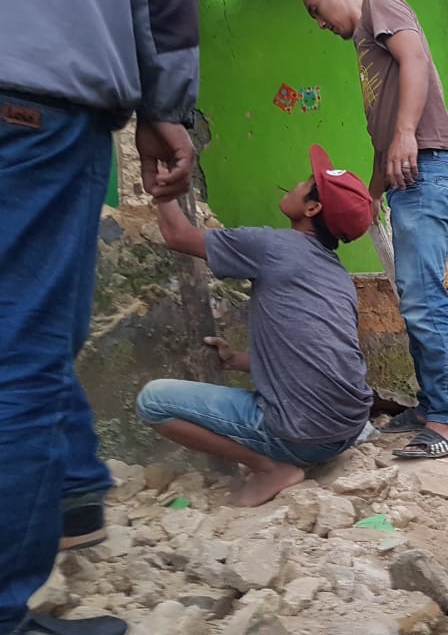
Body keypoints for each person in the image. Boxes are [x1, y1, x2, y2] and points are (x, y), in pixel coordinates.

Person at [0, 0, 199, 633]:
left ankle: (77, 488)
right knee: (24, 345)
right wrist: (164, 106)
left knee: (30, 336)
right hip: (36, 80)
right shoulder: (284, 253)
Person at [296, 0, 448, 459]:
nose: (320, 23)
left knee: (422, 297)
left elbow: (416, 58)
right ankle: (432, 404)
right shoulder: (366, 53)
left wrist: (404, 135)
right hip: (407, 179)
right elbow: (384, 142)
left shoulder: (377, 0)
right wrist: (371, 196)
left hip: (429, 169)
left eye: (317, 10)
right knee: (414, 295)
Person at [136, 145, 376, 507]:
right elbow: (310, 353)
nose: (294, 185)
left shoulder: (273, 246)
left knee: (152, 402)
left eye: (305, 183)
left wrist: (161, 186)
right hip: (346, 430)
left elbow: (178, 236)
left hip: (302, 437)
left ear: (312, 209)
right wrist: (237, 360)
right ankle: (283, 457)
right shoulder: (338, 275)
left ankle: (270, 467)